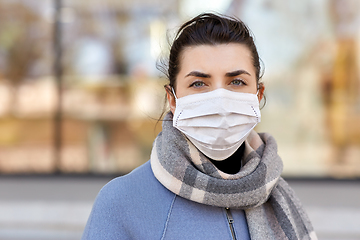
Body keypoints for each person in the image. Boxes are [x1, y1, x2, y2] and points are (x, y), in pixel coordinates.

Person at [82, 13, 317, 240]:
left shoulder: (279, 197)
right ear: (172, 99)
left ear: (258, 95)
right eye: (198, 83)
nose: (219, 100)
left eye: (236, 81)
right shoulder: (122, 203)